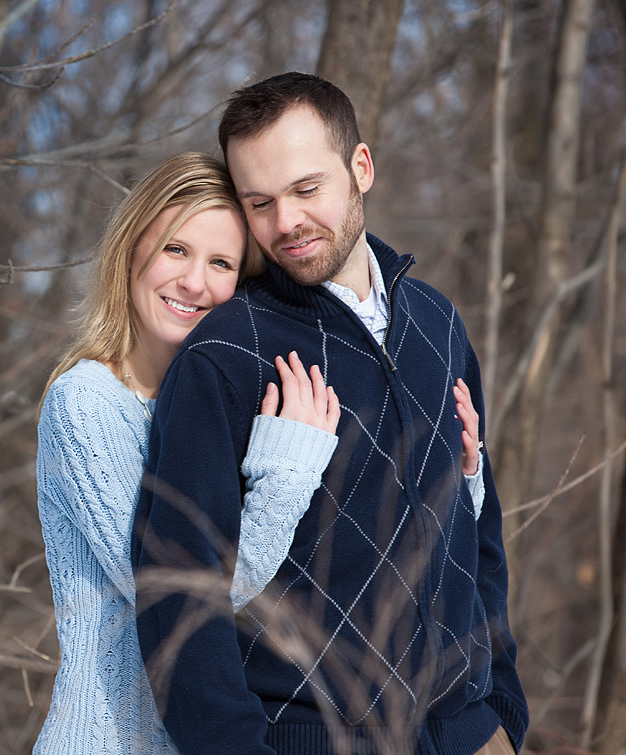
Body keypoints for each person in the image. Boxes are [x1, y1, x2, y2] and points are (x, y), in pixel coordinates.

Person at [132, 73, 527, 755]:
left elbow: (477, 529)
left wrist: (502, 710)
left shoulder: (437, 323)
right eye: (260, 202)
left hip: (467, 733)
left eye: (306, 189)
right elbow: (178, 593)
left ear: (361, 168)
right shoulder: (227, 354)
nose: (286, 222)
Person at [36, 152, 349, 754]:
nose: (195, 283)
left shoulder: (217, 409)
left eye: (221, 263)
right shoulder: (87, 402)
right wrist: (287, 473)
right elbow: (180, 596)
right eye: (176, 250)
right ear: (132, 249)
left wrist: (463, 476)